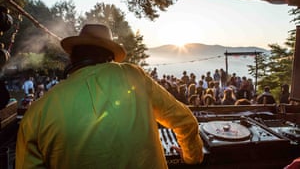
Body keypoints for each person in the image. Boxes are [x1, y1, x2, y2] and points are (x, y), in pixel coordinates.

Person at [16, 24, 203, 168]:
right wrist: (191, 158)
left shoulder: (37, 112)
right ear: (111, 56)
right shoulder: (133, 76)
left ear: (73, 57)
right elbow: (185, 121)